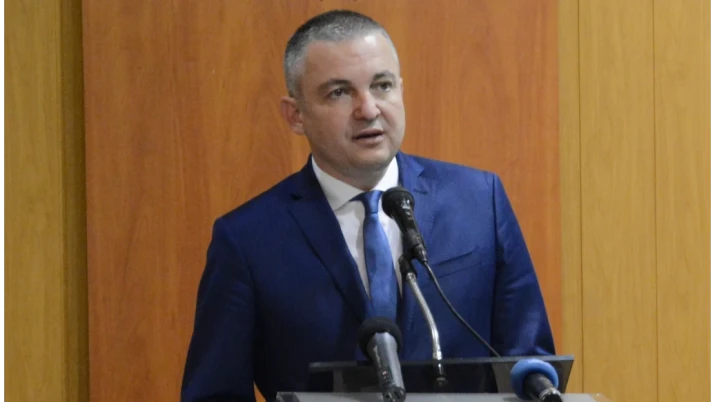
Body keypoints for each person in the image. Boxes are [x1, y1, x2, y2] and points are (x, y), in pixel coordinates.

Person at [181, 9, 554, 402]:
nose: (369, 109)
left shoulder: (479, 200)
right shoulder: (247, 240)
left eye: (382, 86)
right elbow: (214, 393)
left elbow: (531, 365)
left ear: (401, 90)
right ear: (296, 115)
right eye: (339, 92)